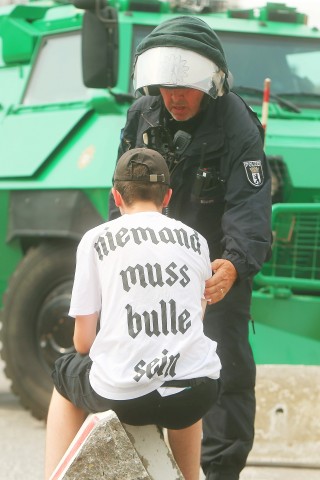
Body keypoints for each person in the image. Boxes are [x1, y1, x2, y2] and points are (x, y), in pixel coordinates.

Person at [108, 16, 272, 480]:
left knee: (229, 373)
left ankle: (219, 474)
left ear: (212, 84)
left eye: (186, 87)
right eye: (165, 86)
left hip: (214, 270)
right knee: (138, 368)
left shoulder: (238, 122)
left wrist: (236, 266)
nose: (175, 96)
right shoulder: (142, 114)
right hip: (151, 268)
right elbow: (120, 193)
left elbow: (250, 203)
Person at [45, 147, 221, 480]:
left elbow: (82, 342)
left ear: (116, 196)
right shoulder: (196, 241)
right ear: (167, 196)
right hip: (196, 395)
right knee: (188, 366)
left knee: (63, 374)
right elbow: (193, 325)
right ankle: (188, 476)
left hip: (125, 394)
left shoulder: (95, 240)